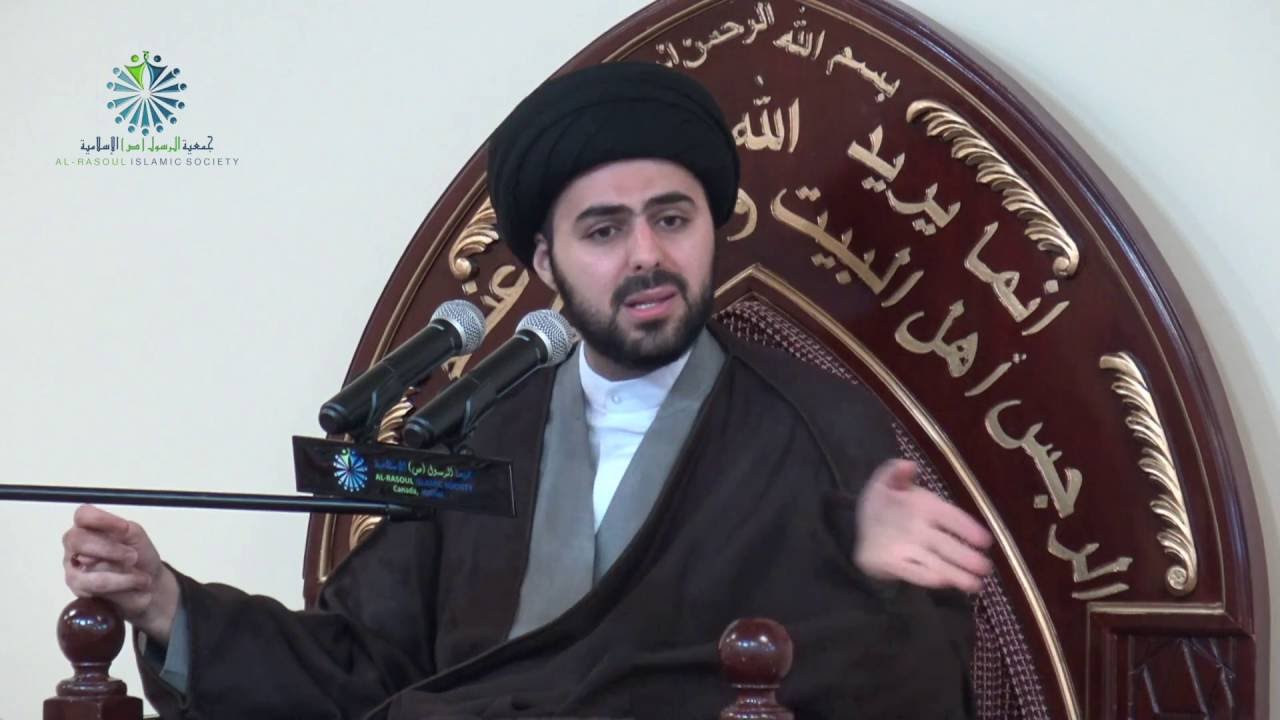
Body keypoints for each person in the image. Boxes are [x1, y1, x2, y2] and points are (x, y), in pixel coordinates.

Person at [62, 62, 994, 719]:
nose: (647, 255)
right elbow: (364, 663)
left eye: (673, 219)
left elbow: (905, 674)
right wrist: (167, 603)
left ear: (712, 228)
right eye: (604, 231)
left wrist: (865, 579)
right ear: (546, 262)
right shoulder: (487, 432)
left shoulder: (819, 426)